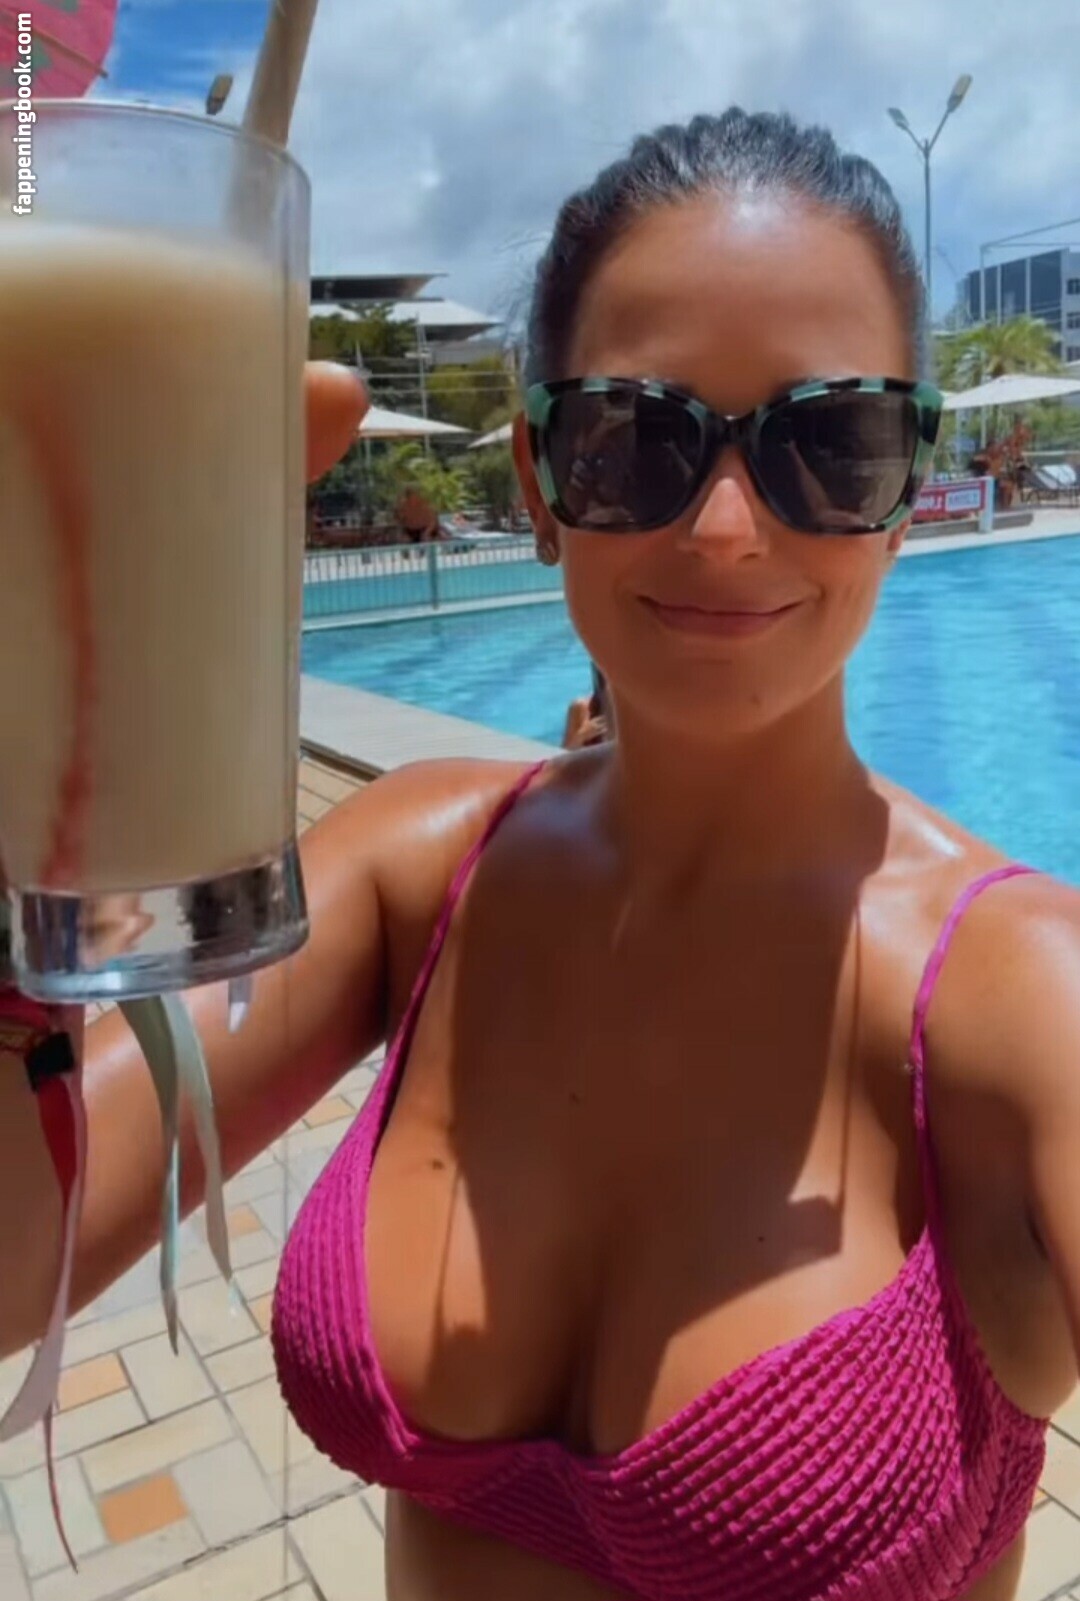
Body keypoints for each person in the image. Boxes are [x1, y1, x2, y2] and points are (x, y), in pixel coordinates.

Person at [4, 109, 1080, 1601]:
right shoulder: (419, 870)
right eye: (636, 438)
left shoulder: (1022, 1007)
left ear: (904, 488)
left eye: (830, 445)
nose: (725, 526)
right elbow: (18, 1255)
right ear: (536, 475)